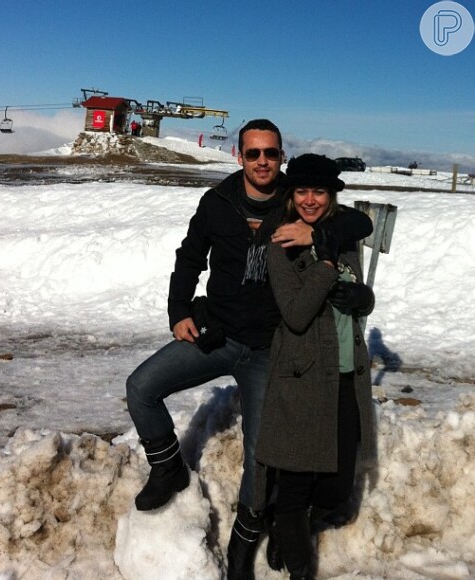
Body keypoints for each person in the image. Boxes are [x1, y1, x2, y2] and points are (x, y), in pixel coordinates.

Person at [125, 121, 373, 579]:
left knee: (261, 457)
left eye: (271, 154)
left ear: (281, 156)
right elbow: (189, 256)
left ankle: (246, 539)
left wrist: (317, 237)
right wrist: (179, 309)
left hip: (269, 351)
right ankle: (168, 470)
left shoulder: (294, 200)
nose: (263, 162)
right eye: (254, 153)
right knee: (141, 387)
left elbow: (360, 221)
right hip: (217, 334)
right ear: (239, 156)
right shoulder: (217, 202)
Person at [255, 154, 376, 580]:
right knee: (295, 488)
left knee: (335, 489)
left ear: (331, 196)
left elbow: (361, 239)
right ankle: (298, 560)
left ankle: (285, 526)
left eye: (319, 191)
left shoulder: (341, 234)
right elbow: (296, 313)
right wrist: (323, 262)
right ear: (291, 194)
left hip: (345, 374)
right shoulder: (281, 241)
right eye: (302, 191)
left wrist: (365, 298)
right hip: (302, 377)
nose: (310, 199)